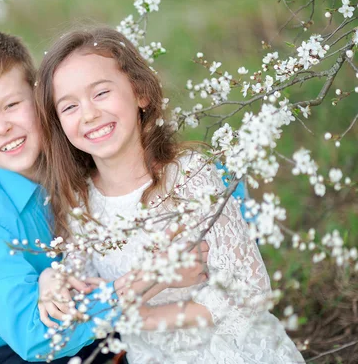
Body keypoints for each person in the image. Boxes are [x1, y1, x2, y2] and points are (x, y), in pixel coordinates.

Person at [35, 27, 305, 364]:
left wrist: (146, 318)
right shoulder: (81, 202)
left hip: (234, 352)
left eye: (101, 93)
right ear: (58, 124)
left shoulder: (189, 176)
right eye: (69, 106)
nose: (89, 113)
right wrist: (51, 279)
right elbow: (81, 288)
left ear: (140, 94)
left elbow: (251, 290)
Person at [0, 31, 120, 364]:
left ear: (39, 96)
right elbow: (35, 339)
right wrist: (134, 289)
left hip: (88, 297)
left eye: (12, 105)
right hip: (12, 342)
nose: (1, 127)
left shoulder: (81, 144)